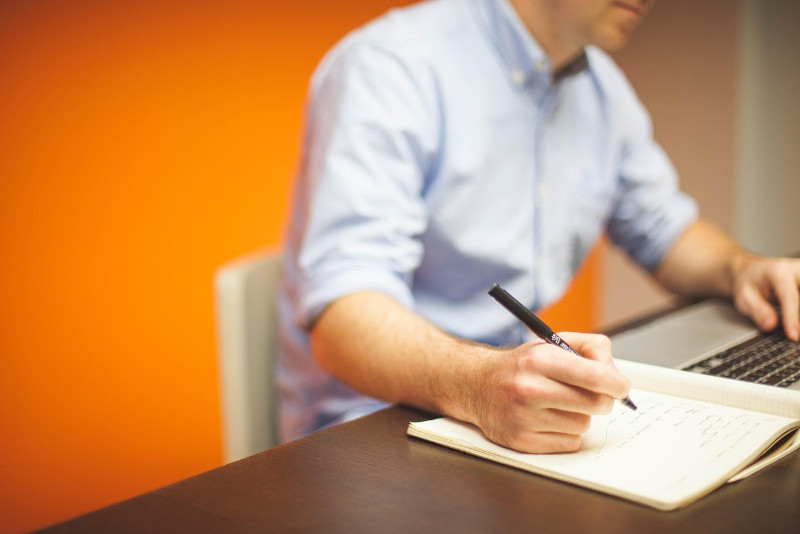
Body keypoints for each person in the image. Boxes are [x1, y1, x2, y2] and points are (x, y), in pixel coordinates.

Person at [276, 0, 800, 452]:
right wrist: (481, 385)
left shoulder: (600, 90)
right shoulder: (391, 67)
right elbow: (343, 321)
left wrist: (740, 269)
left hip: (503, 404)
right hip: (371, 429)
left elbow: (663, 228)